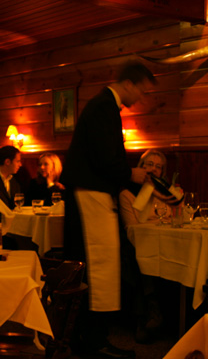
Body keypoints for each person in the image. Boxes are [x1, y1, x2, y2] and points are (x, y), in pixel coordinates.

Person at [61, 61, 156, 359]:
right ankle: (92, 342)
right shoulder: (103, 107)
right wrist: (130, 174)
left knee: (101, 267)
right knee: (97, 267)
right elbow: (104, 157)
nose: (141, 97)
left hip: (94, 194)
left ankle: (91, 338)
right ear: (128, 83)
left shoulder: (104, 107)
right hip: (91, 196)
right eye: (142, 90)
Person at [119, 149, 177, 343]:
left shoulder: (169, 193)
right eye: (149, 165)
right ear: (140, 168)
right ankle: (146, 316)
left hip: (168, 244)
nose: (153, 170)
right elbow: (133, 228)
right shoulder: (127, 193)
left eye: (158, 167)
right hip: (137, 245)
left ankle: (164, 318)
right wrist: (148, 192)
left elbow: (178, 219)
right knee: (141, 259)